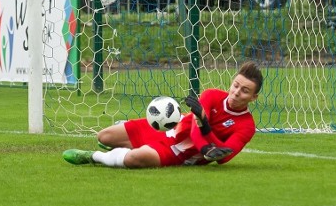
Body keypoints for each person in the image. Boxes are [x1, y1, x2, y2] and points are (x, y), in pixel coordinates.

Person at [63, 61, 264, 169]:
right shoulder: (211, 95)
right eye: (236, 85)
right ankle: (122, 140)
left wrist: (207, 132)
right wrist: (207, 142)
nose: (236, 92)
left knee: (135, 159)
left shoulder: (246, 126)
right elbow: (196, 130)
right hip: (169, 130)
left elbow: (224, 158)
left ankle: (94, 157)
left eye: (245, 91)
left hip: (179, 153)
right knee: (104, 136)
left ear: (253, 97)